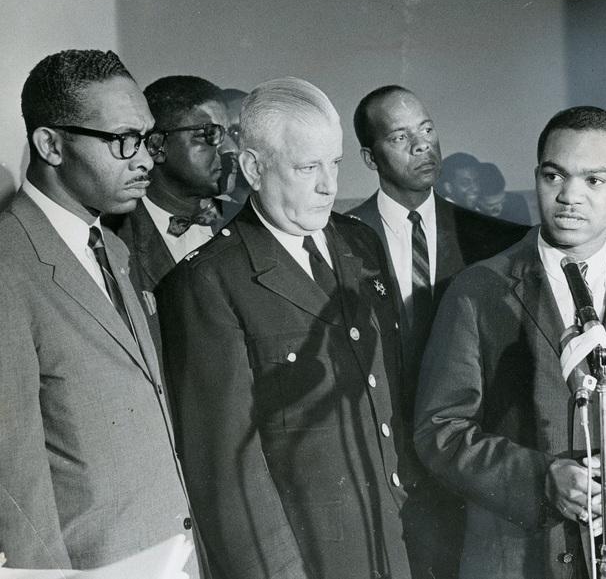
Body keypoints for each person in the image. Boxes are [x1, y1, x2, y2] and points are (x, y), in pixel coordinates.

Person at [156, 77, 413, 579]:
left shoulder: (360, 243)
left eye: (334, 163)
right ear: (253, 167)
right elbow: (229, 474)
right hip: (309, 558)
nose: (329, 186)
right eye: (307, 167)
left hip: (394, 541)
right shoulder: (209, 282)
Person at [415, 106, 606, 578]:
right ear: (537, 178)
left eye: (594, 180)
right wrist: (540, 479)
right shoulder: (478, 288)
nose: (570, 195)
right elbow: (439, 429)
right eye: (555, 175)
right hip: (514, 560)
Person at [0, 49, 198, 575]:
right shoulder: (7, 265)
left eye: (148, 138)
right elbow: (12, 476)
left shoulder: (111, 248)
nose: (146, 160)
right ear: (51, 145)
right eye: (122, 141)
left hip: (172, 553)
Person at [348, 85, 528, 578]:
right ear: (370, 156)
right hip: (389, 464)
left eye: (427, 129)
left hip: (472, 462)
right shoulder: (339, 241)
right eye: (401, 137)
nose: (422, 145)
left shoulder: (492, 239)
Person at [109, 75, 237, 299]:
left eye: (230, 135)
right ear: (157, 146)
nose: (230, 149)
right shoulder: (113, 236)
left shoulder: (246, 223)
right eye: (209, 134)